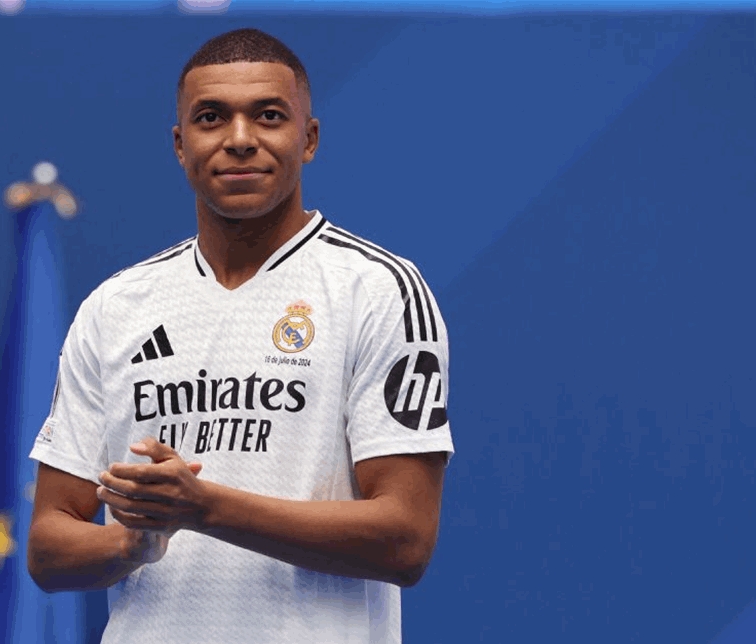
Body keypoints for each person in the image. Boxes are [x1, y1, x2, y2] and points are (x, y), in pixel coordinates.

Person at [27, 27, 453, 644]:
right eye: (211, 117)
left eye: (269, 116)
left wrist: (202, 507)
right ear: (180, 145)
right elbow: (47, 547)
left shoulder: (378, 290)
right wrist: (133, 543)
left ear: (308, 139)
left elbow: (406, 539)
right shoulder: (115, 307)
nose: (240, 139)